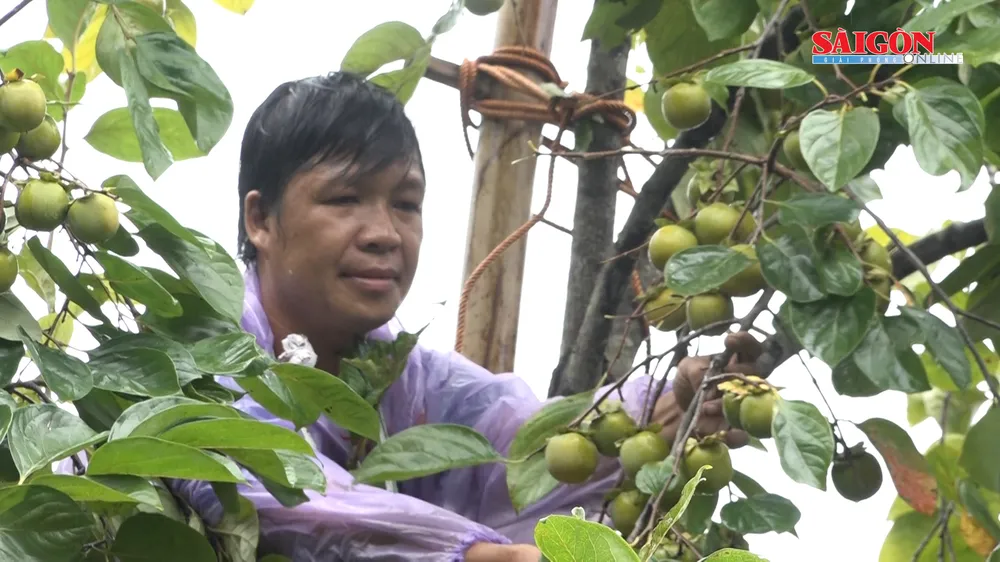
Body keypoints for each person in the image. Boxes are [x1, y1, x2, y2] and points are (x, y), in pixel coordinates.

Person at [170, 71, 765, 562]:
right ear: (260, 220)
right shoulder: (194, 361)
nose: (385, 234)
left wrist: (665, 409)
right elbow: (261, 479)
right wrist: (472, 555)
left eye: (406, 204)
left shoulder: (406, 383)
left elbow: (526, 450)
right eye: (345, 199)